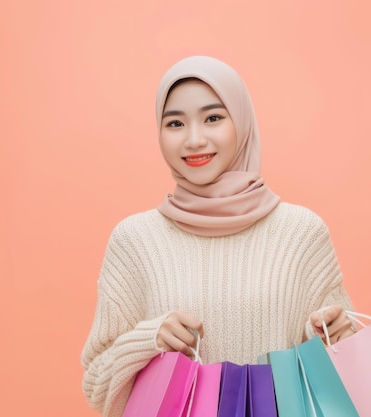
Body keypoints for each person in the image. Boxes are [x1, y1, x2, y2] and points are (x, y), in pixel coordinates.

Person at [81, 56, 356, 417]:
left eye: (213, 118)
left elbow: (351, 377)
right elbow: (98, 390)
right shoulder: (134, 240)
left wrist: (329, 338)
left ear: (241, 122)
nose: (194, 140)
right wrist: (148, 340)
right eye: (175, 123)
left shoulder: (302, 233)